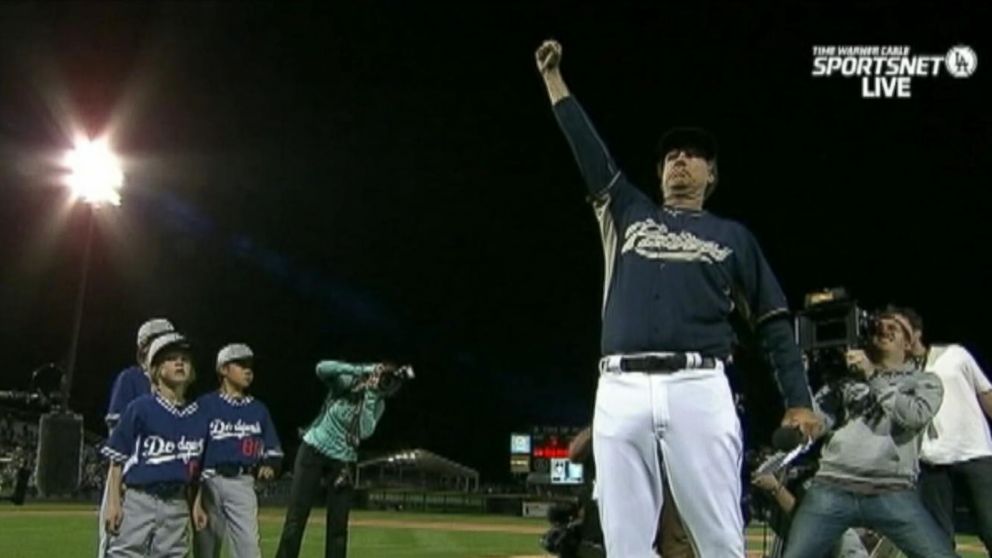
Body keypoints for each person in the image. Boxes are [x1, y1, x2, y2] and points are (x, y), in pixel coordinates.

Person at [534, 39, 818, 557]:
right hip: (618, 386)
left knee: (719, 541)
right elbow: (589, 151)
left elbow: (775, 323)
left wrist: (798, 400)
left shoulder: (733, 238)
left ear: (711, 176)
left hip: (699, 384)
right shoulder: (627, 212)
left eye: (693, 157)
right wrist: (554, 80)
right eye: (671, 156)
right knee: (624, 546)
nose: (680, 161)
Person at [781, 313, 955, 558]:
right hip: (832, 485)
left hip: (891, 489)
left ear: (908, 343)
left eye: (894, 327)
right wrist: (801, 420)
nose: (883, 328)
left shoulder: (925, 381)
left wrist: (872, 376)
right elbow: (818, 420)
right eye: (878, 326)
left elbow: (913, 416)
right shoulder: (846, 381)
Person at [891, 306, 992, 554]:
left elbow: (986, 394)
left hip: (974, 453)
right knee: (936, 541)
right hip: (930, 462)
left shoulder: (955, 355)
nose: (893, 335)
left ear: (916, 332)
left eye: (898, 328)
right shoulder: (896, 374)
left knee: (990, 526)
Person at [274, 359, 397, 558]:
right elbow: (321, 369)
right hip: (313, 450)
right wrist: (361, 369)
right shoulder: (349, 382)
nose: (381, 382)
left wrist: (372, 395)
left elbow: (364, 431)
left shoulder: (377, 403)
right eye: (380, 376)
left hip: (342, 462)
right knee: (296, 519)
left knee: (338, 527)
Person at [101, 332, 205, 558]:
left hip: (177, 504)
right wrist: (113, 503)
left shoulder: (198, 415)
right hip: (140, 499)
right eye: (171, 358)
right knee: (124, 554)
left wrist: (195, 504)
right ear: (156, 369)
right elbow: (116, 461)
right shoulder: (140, 408)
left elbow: (197, 471)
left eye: (185, 359)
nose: (179, 362)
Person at [192, 343, 283, 558]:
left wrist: (270, 466)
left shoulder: (258, 410)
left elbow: (273, 450)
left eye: (250, 365)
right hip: (207, 482)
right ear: (223, 369)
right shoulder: (204, 405)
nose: (248, 370)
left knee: (249, 549)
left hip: (242, 482)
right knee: (206, 550)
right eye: (241, 364)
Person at [98, 318, 175, 556]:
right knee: (115, 544)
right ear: (144, 348)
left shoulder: (173, 386)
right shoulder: (130, 379)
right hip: (128, 480)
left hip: (161, 485)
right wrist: (116, 485)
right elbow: (117, 437)